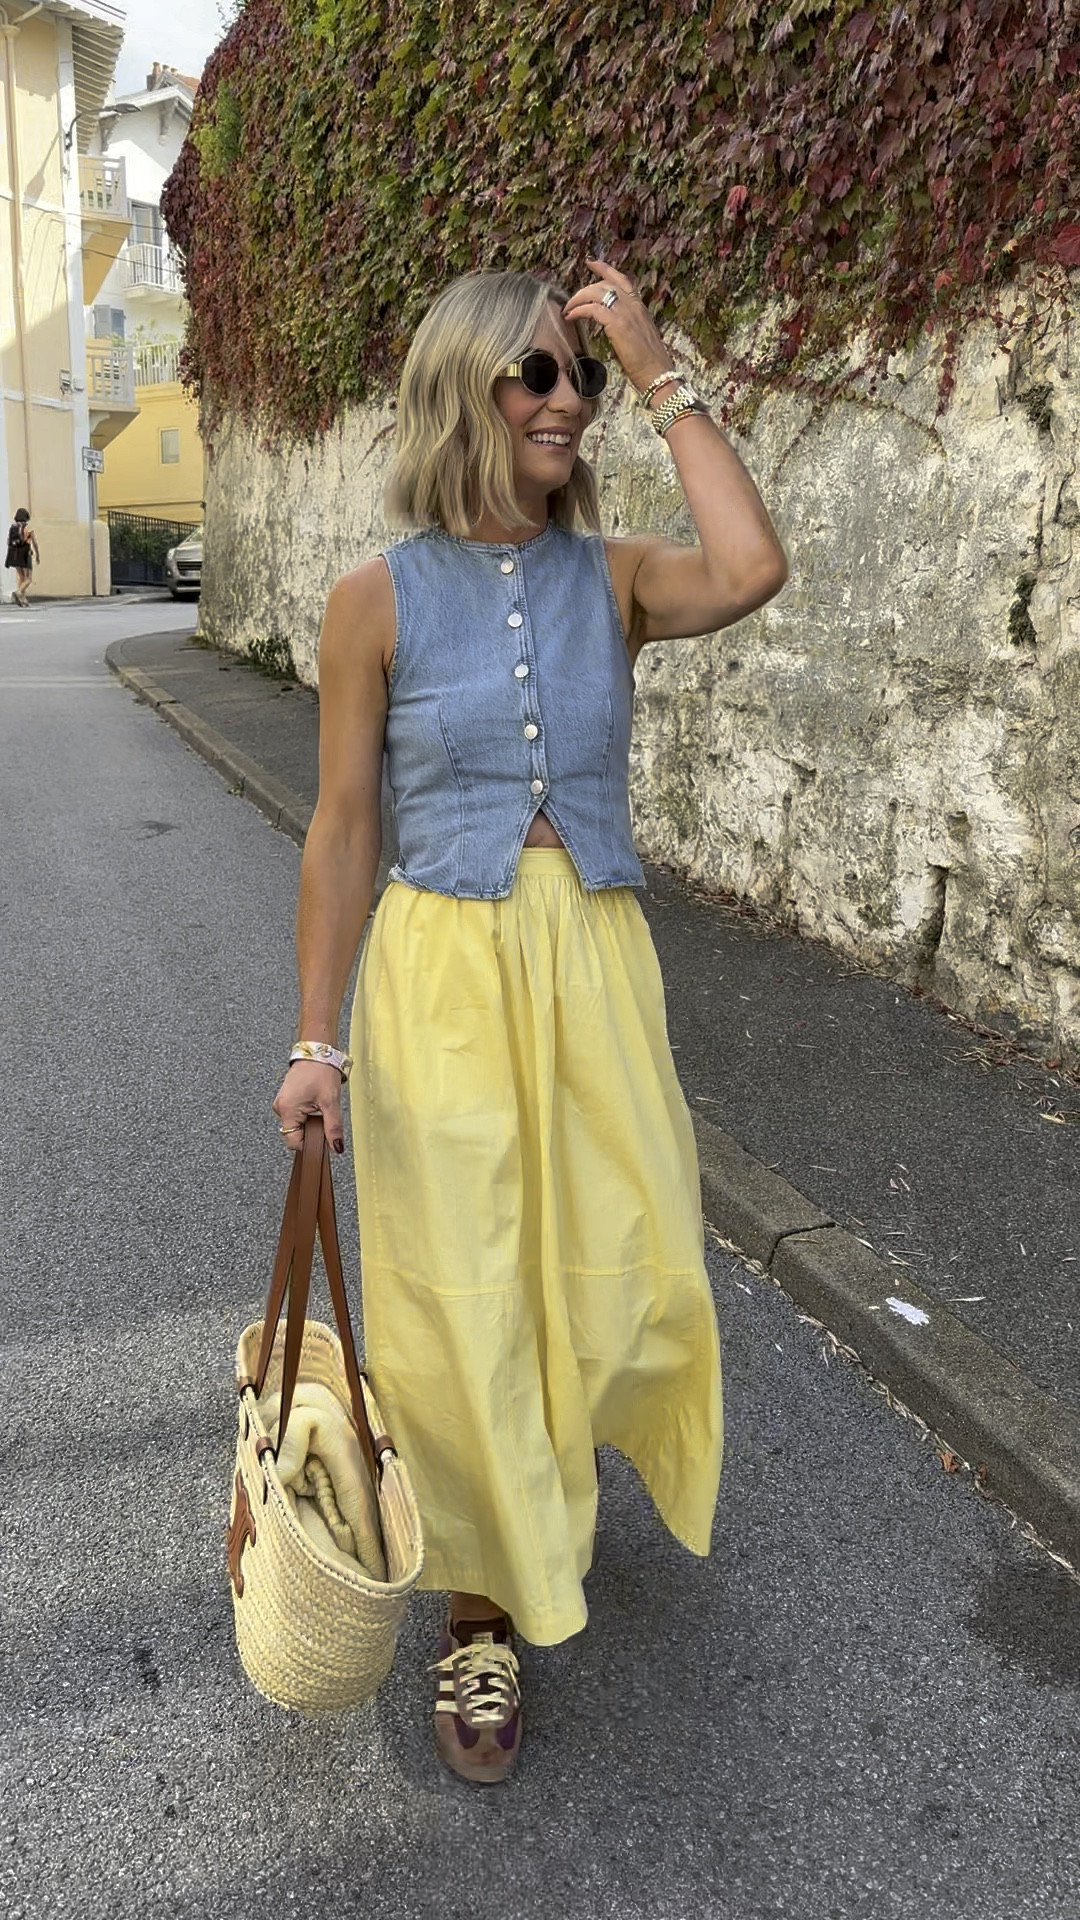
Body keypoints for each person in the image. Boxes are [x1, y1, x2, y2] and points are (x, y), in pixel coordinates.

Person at [272, 260, 789, 1784]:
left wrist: (660, 361)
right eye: (538, 376)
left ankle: (552, 1478)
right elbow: (344, 825)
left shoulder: (618, 574)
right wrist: (318, 1043)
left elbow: (751, 566)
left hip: (598, 961)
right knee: (467, 1286)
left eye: (580, 378)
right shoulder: (372, 600)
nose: (567, 401)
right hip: (441, 971)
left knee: (630, 1265)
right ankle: (480, 1607)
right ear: (463, 393)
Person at [5, 508, 39, 606]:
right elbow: (35, 543)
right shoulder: (28, 528)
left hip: (15, 554)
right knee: (28, 578)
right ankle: (18, 592)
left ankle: (23, 599)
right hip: (25, 553)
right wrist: (37, 555)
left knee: (21, 577)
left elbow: (9, 541)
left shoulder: (13, 527)